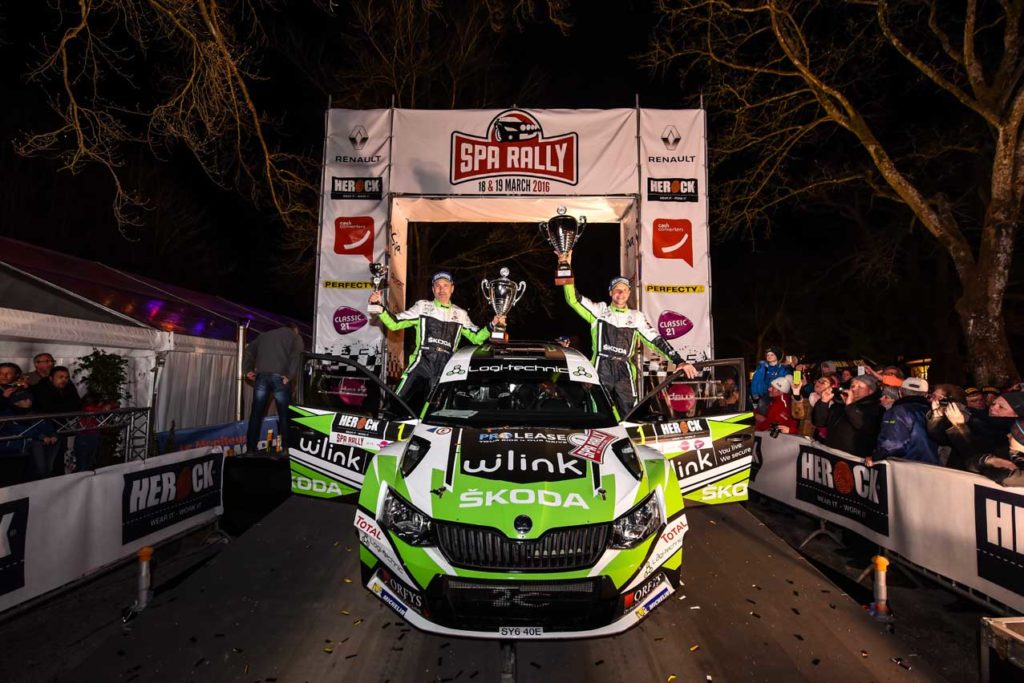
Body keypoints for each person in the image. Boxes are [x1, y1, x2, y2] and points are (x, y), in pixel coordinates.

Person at [558, 262, 697, 415]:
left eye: (624, 290)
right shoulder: (599, 311)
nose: (621, 293)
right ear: (610, 292)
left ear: (629, 293)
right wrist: (565, 266)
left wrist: (678, 361)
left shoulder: (636, 317)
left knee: (630, 413)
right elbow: (573, 299)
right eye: (617, 289)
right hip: (601, 366)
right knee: (598, 411)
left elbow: (656, 340)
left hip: (625, 369)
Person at [369, 272, 502, 405]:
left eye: (445, 285)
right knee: (396, 403)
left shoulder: (461, 314)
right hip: (420, 366)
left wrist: (492, 325)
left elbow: (477, 338)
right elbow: (394, 323)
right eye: (437, 286)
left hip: (445, 369)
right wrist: (379, 307)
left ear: (452, 289)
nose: (441, 289)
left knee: (434, 412)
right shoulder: (422, 307)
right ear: (433, 289)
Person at [243, 323, 304, 455]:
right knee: (284, 415)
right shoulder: (295, 337)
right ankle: (286, 449)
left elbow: (249, 350)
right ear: (295, 330)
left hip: (261, 376)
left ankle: (250, 449)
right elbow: (297, 355)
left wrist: (247, 369)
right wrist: (290, 375)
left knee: (256, 414)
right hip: (280, 377)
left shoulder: (264, 335)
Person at [869, 377, 938, 466]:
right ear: (926, 395)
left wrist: (875, 457)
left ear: (900, 393)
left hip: (907, 466)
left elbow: (892, 445)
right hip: (932, 467)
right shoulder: (933, 411)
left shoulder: (897, 412)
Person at [811, 374, 883, 457]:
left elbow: (864, 426)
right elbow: (819, 422)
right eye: (852, 386)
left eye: (860, 387)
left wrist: (849, 406)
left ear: (871, 391)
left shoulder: (876, 409)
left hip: (853, 458)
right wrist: (823, 402)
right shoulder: (839, 405)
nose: (854, 389)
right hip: (831, 454)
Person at [750, 347, 792, 414]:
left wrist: (793, 373)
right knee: (762, 405)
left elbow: (790, 379)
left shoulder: (782, 368)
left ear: (777, 356)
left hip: (778, 395)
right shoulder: (762, 367)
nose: (769, 356)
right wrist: (755, 393)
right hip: (765, 394)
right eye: (768, 355)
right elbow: (755, 381)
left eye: (772, 355)